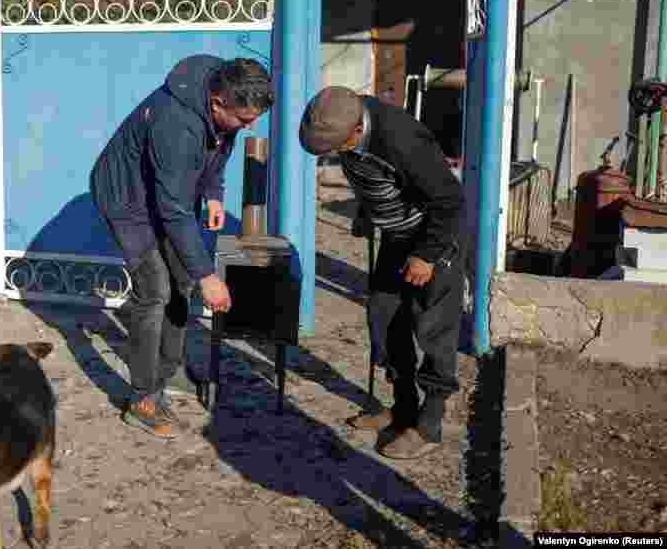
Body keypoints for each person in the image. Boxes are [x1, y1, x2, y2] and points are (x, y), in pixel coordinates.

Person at [90, 55, 274, 439]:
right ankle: (142, 397)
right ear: (217, 102)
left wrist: (213, 193)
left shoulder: (225, 90)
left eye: (253, 117)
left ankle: (167, 372)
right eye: (243, 118)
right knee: (155, 289)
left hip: (166, 192)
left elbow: (220, 145)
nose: (250, 125)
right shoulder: (177, 124)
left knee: (181, 282)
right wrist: (208, 274)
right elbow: (173, 210)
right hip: (127, 201)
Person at [298, 86, 464, 459]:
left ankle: (429, 424)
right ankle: (403, 408)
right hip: (395, 233)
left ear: (358, 130)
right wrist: (366, 212)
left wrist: (426, 256)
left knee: (432, 327)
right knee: (384, 315)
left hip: (433, 236)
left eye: (336, 147)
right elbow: (367, 172)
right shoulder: (345, 117)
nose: (335, 153)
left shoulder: (403, 142)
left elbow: (449, 201)